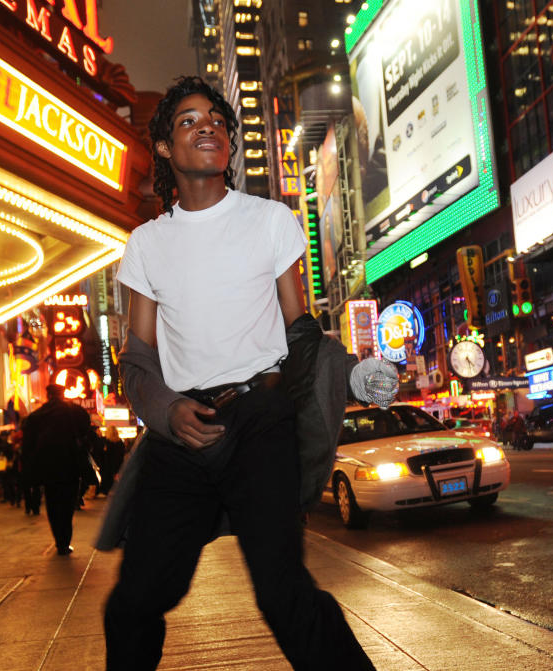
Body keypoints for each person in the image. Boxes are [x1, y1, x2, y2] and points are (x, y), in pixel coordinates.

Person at [100, 77, 386, 670]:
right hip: (182, 437)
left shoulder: (271, 220)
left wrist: (354, 377)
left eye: (216, 118)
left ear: (229, 141)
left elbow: (300, 333)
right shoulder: (146, 245)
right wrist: (169, 411)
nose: (207, 126)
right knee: (133, 603)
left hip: (260, 423)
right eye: (187, 120)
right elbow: (138, 361)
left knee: (284, 596)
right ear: (162, 149)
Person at [23, 383, 92, 555]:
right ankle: (65, 539)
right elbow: (87, 434)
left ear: (48, 395)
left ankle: (59, 541)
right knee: (68, 504)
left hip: (47, 467)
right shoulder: (75, 412)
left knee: (53, 504)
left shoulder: (36, 416)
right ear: (63, 394)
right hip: (70, 465)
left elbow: (28, 446)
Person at [98, 425, 125, 496]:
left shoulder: (107, 442)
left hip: (107, 464)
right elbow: (122, 454)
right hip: (118, 464)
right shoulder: (120, 443)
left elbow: (103, 454)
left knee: (107, 478)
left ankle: (106, 490)